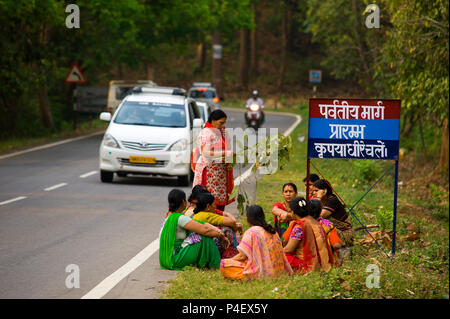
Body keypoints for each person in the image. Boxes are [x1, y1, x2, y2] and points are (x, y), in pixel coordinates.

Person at [159, 189, 229, 270]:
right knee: (204, 237)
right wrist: (221, 235)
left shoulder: (170, 217)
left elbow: (201, 224)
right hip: (174, 259)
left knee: (201, 235)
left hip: (166, 259)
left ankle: (210, 264)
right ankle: (217, 265)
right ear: (183, 202)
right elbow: (204, 230)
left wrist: (219, 233)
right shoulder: (179, 218)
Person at [220, 205, 293, 280]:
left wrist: (229, 261)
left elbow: (242, 256)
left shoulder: (251, 232)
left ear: (248, 219)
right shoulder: (272, 230)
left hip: (262, 273)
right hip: (278, 271)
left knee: (224, 265)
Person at [193, 109, 234, 211]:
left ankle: (218, 224)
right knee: (208, 201)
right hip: (209, 171)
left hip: (219, 173)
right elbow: (206, 153)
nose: (222, 125)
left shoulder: (219, 131)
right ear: (213, 120)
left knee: (219, 203)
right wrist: (224, 153)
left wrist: (226, 134)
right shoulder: (206, 133)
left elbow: (227, 145)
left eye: (224, 123)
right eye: (221, 123)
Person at [282, 197, 335, 273]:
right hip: (324, 263)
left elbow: (289, 249)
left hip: (309, 265)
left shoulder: (299, 226)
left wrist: (276, 252)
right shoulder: (315, 222)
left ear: (293, 212)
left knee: (281, 256)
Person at [190, 192, 243, 258]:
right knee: (227, 230)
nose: (215, 207)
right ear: (208, 206)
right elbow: (231, 222)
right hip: (202, 246)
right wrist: (235, 229)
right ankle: (231, 254)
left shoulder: (197, 214)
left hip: (196, 245)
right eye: (214, 204)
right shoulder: (206, 215)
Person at [311, 179, 354, 253]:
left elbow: (319, 216)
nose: (314, 193)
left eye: (316, 190)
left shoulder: (332, 201)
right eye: (313, 191)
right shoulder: (322, 200)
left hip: (343, 234)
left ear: (325, 191)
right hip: (335, 231)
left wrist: (317, 199)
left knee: (321, 223)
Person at [309, 198, 342, 264]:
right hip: (326, 261)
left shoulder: (302, 224)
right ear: (321, 210)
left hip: (308, 260)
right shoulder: (328, 225)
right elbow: (336, 245)